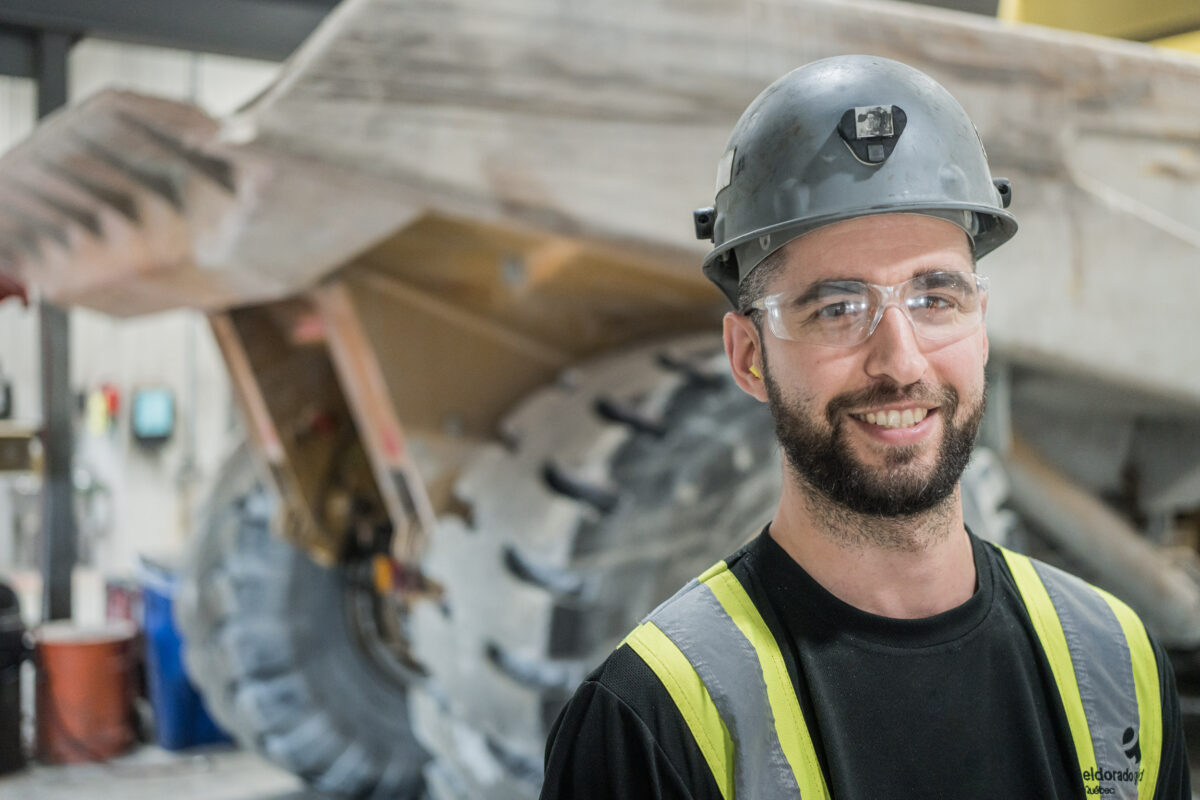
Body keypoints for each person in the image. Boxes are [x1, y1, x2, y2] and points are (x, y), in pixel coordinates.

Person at [539, 55, 1190, 799]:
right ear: (749, 356)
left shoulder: (1115, 664)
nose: (901, 361)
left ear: (981, 326)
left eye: (935, 299)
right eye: (837, 309)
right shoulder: (651, 717)